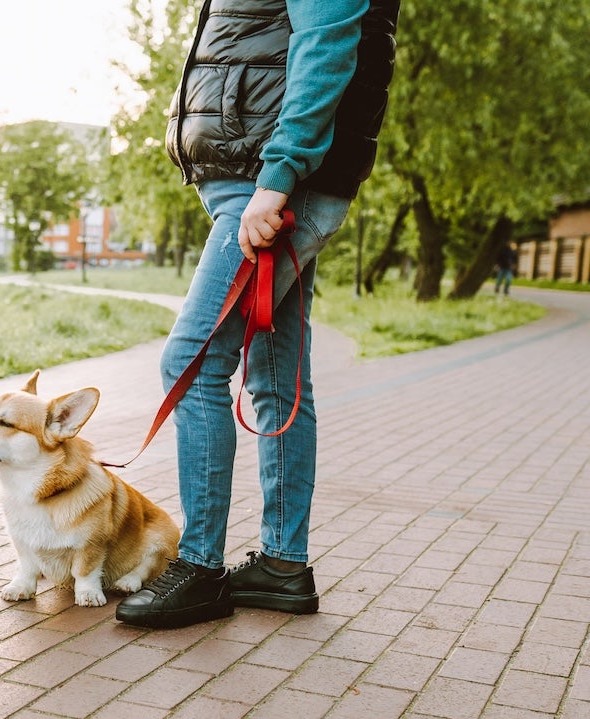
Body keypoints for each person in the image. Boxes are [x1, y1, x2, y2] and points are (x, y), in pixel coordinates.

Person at [116, 0, 400, 628]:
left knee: (191, 363)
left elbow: (326, 44)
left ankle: (200, 569)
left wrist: (278, 178)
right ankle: (282, 564)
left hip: (267, 184)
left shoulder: (275, 179)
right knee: (276, 379)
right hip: (260, 178)